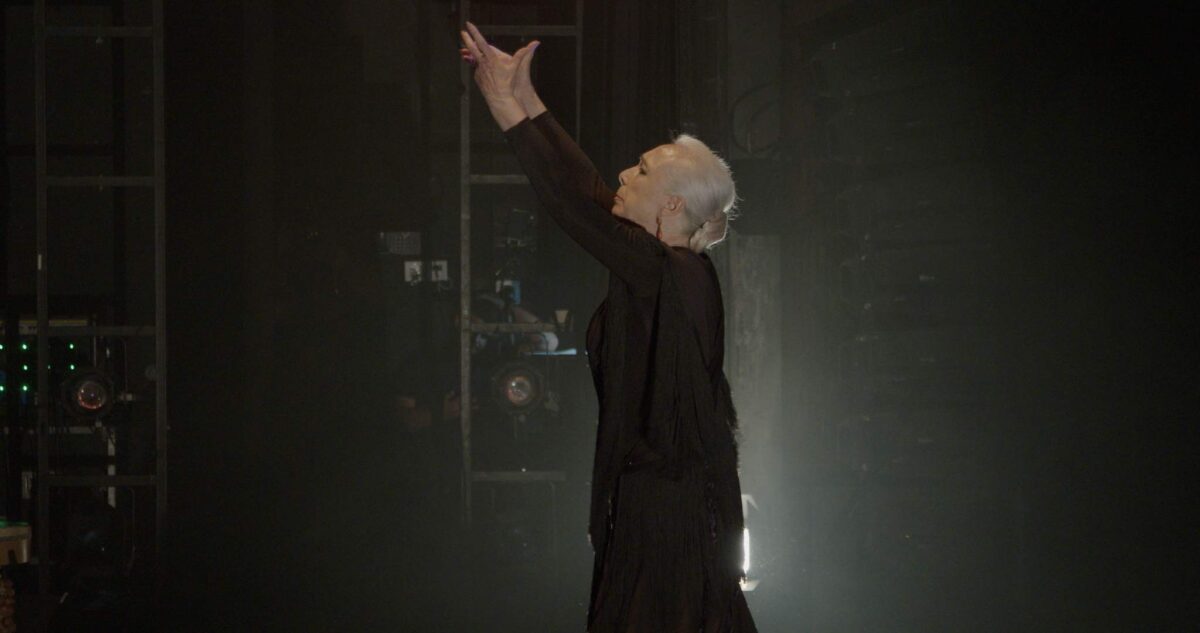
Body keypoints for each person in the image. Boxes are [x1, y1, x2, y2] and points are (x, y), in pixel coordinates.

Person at [460, 23, 758, 633]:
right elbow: (589, 196)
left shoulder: (670, 270)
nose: (625, 175)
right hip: (658, 509)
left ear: (671, 206)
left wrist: (515, 114)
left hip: (669, 519)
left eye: (643, 172)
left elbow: (575, 206)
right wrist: (521, 102)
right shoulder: (661, 267)